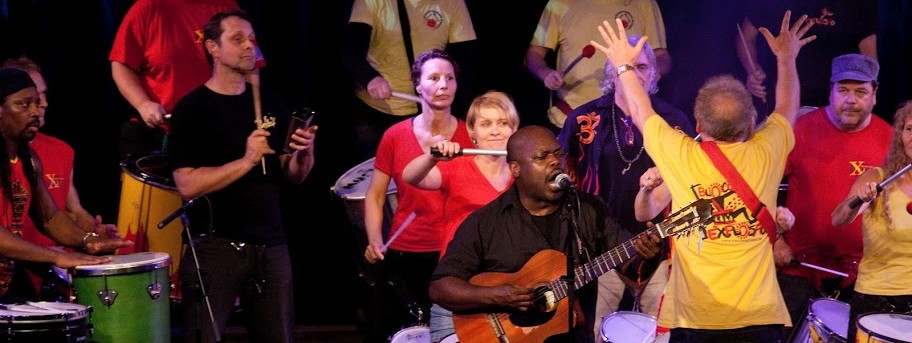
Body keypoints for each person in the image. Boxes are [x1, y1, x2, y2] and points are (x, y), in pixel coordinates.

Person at [591, 10, 815, 340]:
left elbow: (641, 111)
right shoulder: (769, 149)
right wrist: (785, 57)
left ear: (697, 125)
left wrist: (622, 65)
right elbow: (786, 109)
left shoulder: (680, 153)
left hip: (694, 320)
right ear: (751, 125)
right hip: (758, 317)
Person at [429, 125, 662, 342]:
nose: (555, 162)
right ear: (515, 169)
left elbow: (632, 269)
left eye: (558, 154)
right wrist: (498, 295)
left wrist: (647, 254)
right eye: (542, 157)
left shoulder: (588, 209)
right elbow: (441, 287)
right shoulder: (486, 222)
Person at [167, 10, 317, 343]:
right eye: (237, 39)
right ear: (212, 48)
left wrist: (303, 156)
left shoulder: (270, 102)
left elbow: (291, 176)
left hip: (272, 245)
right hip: (215, 246)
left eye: (251, 39)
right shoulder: (192, 109)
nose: (249, 46)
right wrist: (246, 160)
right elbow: (187, 185)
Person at [557, 35, 693, 327]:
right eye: (627, 66)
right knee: (597, 332)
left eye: (642, 67)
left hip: (660, 248)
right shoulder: (583, 119)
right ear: (611, 73)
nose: (634, 74)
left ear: (654, 73)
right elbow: (562, 182)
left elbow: (691, 186)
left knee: (659, 334)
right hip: (599, 253)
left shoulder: (675, 120)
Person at [775, 53, 892, 336]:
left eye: (860, 92)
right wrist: (775, 240)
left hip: (860, 275)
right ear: (831, 90)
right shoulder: (799, 130)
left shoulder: (889, 139)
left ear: (875, 95)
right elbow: (761, 188)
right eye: (843, 90)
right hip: (797, 267)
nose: (851, 100)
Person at [361, 48, 473, 343]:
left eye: (449, 78)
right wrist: (374, 238)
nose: (443, 85)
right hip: (406, 251)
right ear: (417, 85)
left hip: (454, 255)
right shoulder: (395, 135)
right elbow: (375, 195)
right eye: (434, 78)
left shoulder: (470, 136)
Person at [0, 68, 133, 302]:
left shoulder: (28, 159)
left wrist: (89, 240)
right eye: (23, 105)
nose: (34, 111)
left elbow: (49, 217)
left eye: (36, 102)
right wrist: (55, 256)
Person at [401, 90, 519, 342]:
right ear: (473, 133)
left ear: (514, 128)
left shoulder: (522, 176)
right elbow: (410, 177)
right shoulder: (456, 168)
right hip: (457, 291)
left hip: (506, 291)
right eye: (486, 124)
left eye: (503, 123)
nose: (496, 131)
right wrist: (433, 157)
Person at [342, 0, 477, 162]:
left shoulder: (452, 3)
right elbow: (350, 52)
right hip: (378, 112)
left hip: (430, 113)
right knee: (376, 175)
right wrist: (370, 78)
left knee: (428, 176)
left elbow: (465, 62)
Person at [110, 0, 241, 159]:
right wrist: (143, 104)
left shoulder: (228, 7)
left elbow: (249, 66)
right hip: (158, 133)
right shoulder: (148, 7)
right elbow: (122, 64)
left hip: (215, 132)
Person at [831, 100, 912, 342]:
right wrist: (858, 198)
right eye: (909, 129)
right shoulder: (877, 178)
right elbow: (838, 219)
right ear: (900, 134)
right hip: (875, 296)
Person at [525, 0, 670, 130]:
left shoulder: (644, 3)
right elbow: (534, 54)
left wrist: (651, 75)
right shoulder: (559, 4)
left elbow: (661, 56)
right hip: (572, 117)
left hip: (630, 119)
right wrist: (546, 74)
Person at [737, 0, 877, 113]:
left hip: (838, 102)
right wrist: (752, 70)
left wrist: (868, 91)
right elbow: (745, 37)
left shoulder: (855, 4)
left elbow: (869, 54)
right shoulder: (770, 3)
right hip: (783, 99)